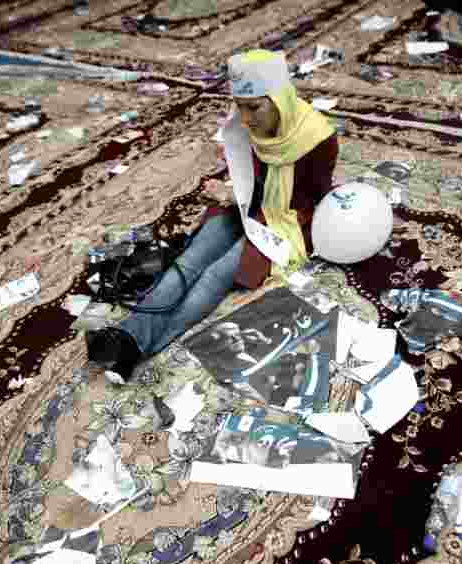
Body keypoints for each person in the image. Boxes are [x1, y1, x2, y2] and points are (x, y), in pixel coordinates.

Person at [87, 49, 339, 383]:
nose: (245, 118)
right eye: (239, 106)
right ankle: (126, 336)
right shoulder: (252, 127)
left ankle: (138, 348)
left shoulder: (318, 139)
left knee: (216, 274)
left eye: (254, 107)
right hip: (249, 205)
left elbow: (319, 199)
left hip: (288, 221)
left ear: (279, 100)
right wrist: (234, 194)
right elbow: (253, 178)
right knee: (191, 260)